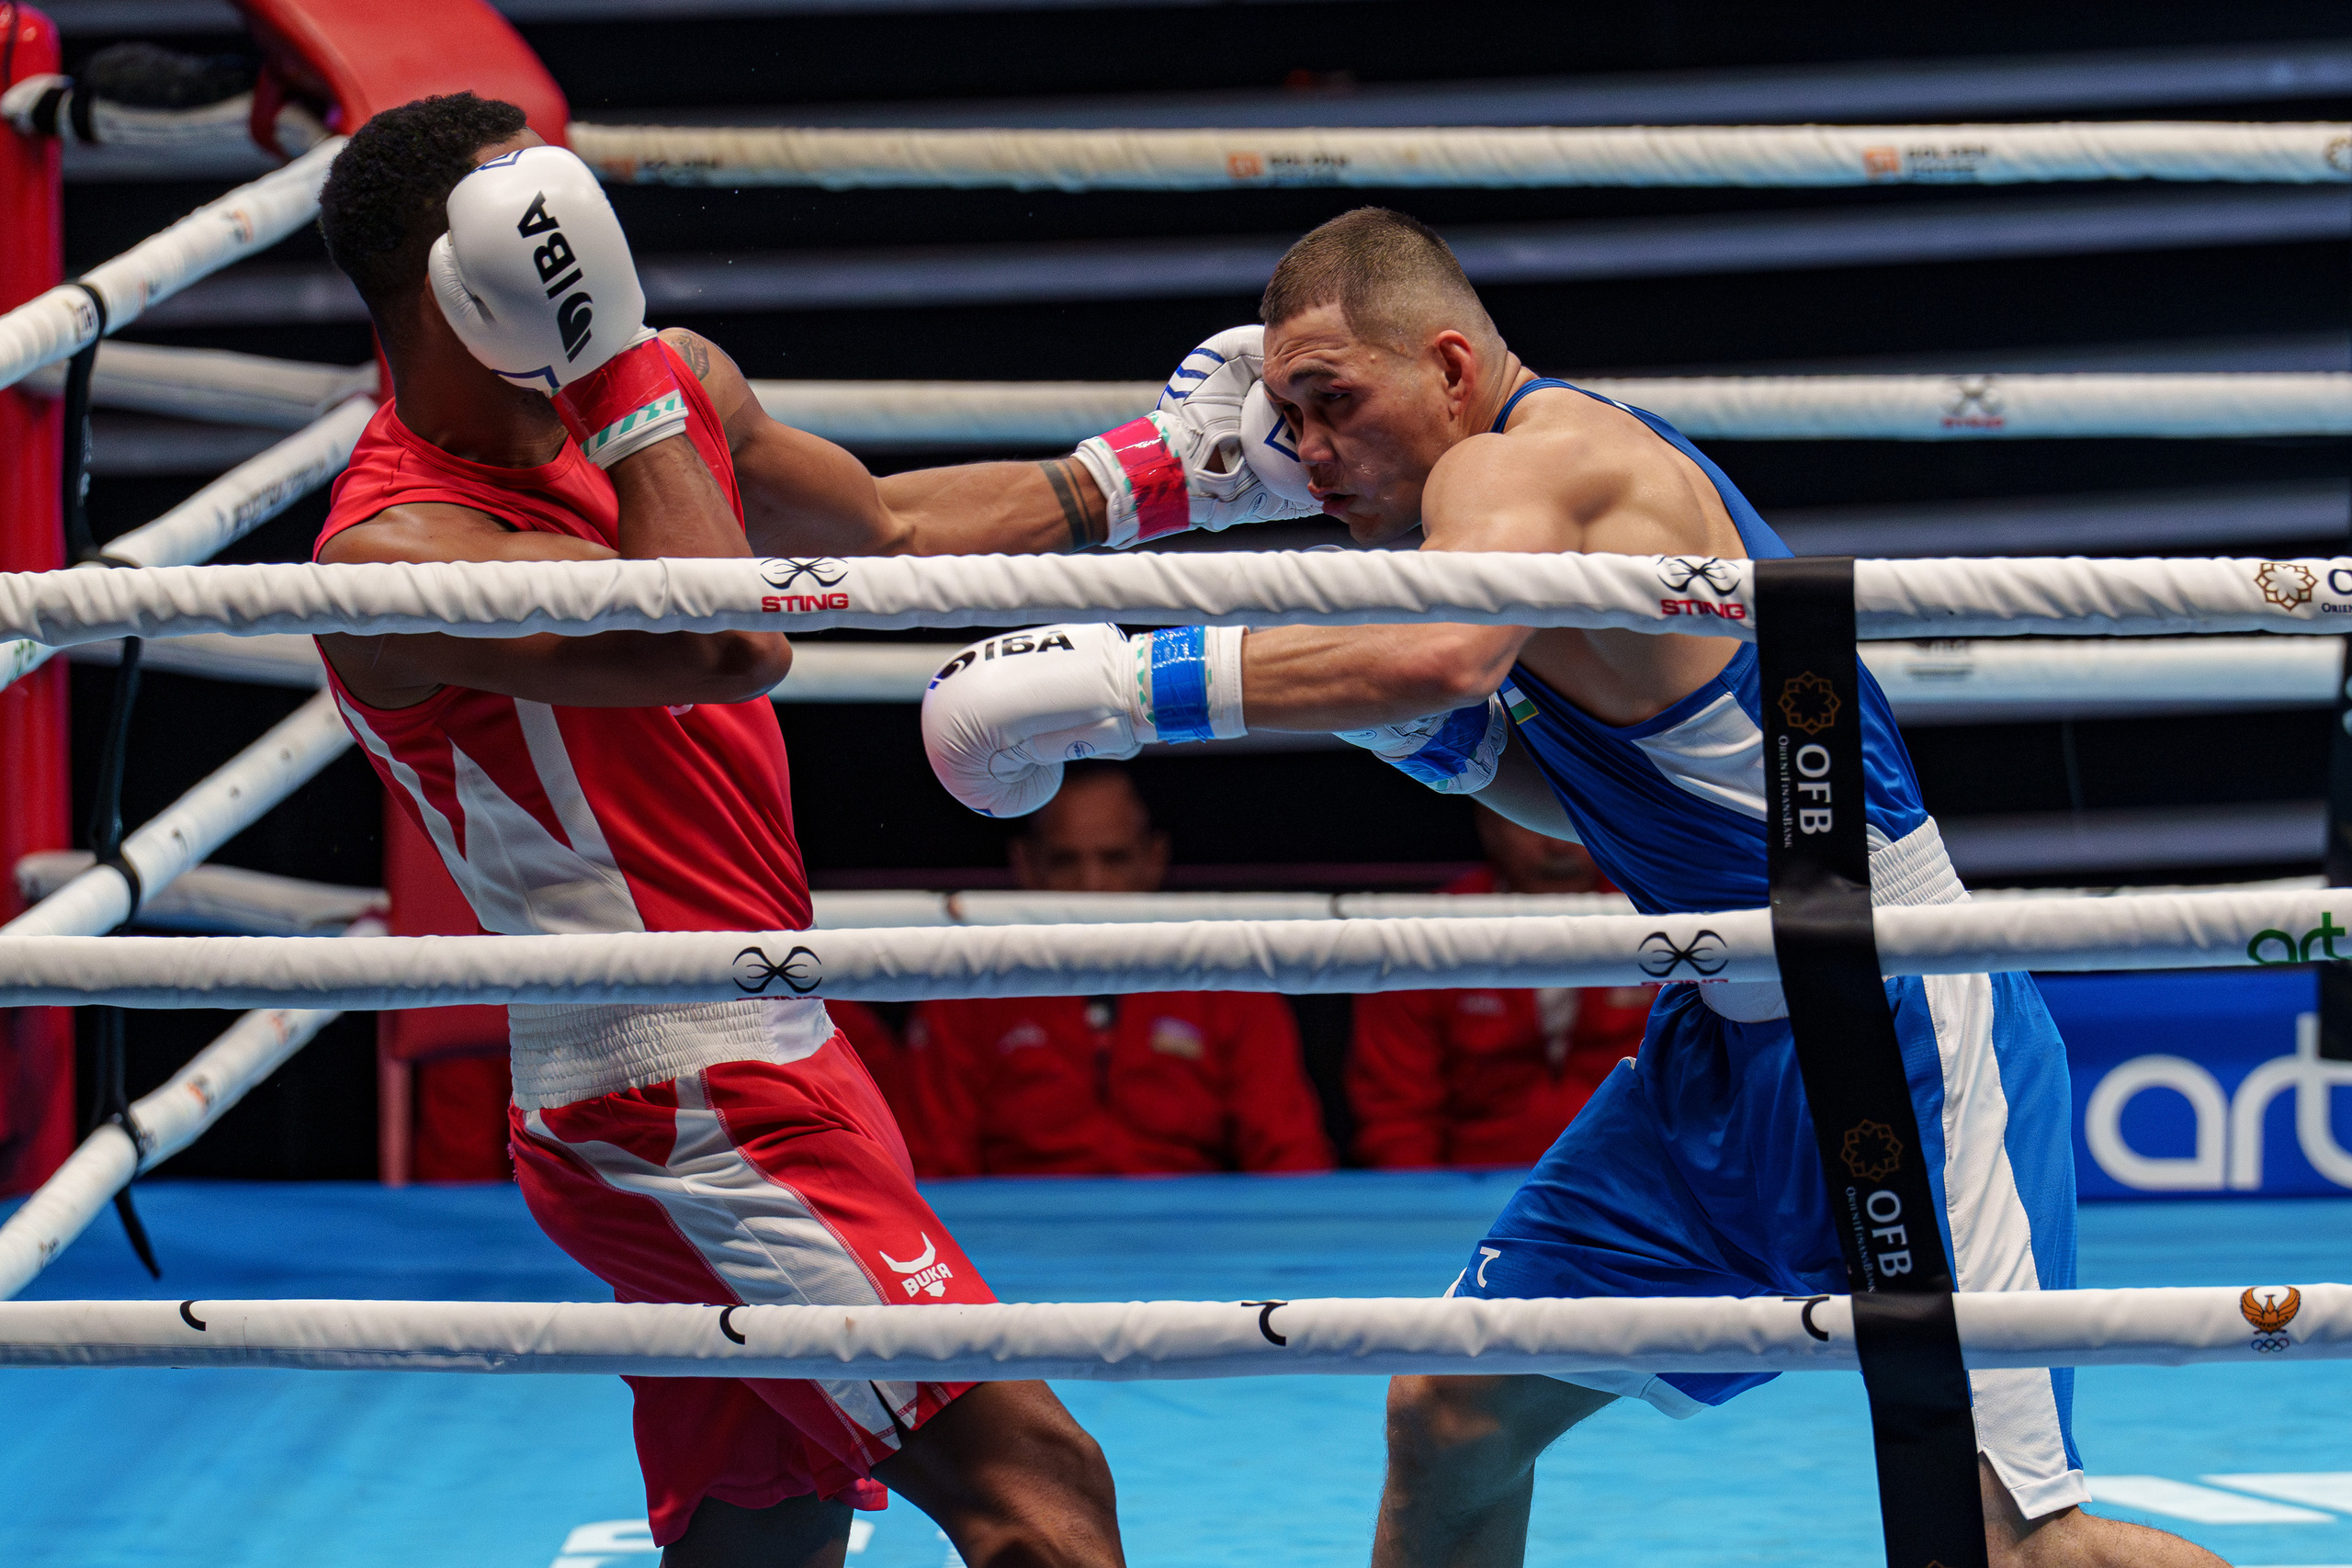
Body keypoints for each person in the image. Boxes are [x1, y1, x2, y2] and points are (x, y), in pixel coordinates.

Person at [918, 208, 2229, 1568]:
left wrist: (1126, 683)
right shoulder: (1501, 508)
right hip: (1718, 1049)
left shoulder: (1536, 463)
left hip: (1894, 1025)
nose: (1307, 452)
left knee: (2009, 1543)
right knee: (1454, 1415)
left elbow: (1440, 652)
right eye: (1291, 415)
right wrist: (1417, 738)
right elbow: (1585, 778)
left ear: (1449, 366)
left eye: (1334, 403)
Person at [304, 94, 1302, 1568]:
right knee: (1039, 1490)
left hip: (774, 1041)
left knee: (762, 1531)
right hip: (668, 1096)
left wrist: (1159, 475)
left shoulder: (662, 392)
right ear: (463, 274)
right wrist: (610, 358)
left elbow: (883, 533)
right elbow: (726, 644)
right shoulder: (397, 552)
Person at [903, 764, 1331, 1177]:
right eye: (1065, 862)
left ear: (1154, 858)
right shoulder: (966, 990)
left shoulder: (1225, 979)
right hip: (1015, 1242)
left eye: (1115, 859)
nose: (1092, 887)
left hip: (1198, 1238)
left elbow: (1290, 1159)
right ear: (1026, 864)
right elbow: (934, 1175)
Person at [1349, 805, 1652, 1168]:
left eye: (1572, 815)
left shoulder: (1666, 925)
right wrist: (1423, 1214)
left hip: (1640, 1188)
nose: (1559, 845)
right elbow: (1396, 1116)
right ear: (1488, 821)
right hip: (1466, 1199)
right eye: (1531, 817)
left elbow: (1702, 1098)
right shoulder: (1424, 935)